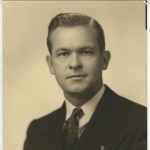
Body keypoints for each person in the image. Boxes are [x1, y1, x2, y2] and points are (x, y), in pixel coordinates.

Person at [23, 13, 147, 150]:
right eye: (63, 54)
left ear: (104, 60)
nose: (75, 64)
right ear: (51, 64)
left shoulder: (142, 124)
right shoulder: (37, 131)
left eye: (85, 52)